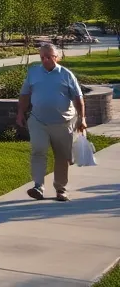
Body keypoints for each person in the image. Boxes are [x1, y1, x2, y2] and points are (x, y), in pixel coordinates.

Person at [17, 42, 87, 202]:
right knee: (38, 151)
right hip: (38, 121)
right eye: (42, 57)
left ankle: (61, 189)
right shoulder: (33, 73)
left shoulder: (66, 75)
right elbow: (25, 95)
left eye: (49, 57)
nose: (45, 60)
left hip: (64, 122)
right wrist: (20, 113)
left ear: (57, 57)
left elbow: (78, 98)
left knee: (62, 156)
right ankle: (38, 187)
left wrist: (82, 118)